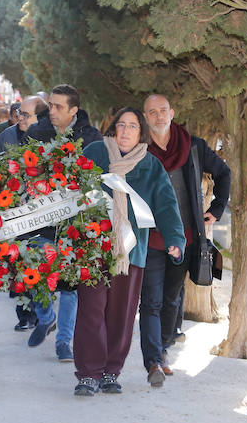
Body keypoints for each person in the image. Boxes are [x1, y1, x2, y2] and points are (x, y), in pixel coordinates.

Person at [74, 108, 184, 395]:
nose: (125, 131)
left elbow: (166, 203)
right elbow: (71, 191)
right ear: (113, 129)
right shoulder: (95, 153)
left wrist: (175, 237)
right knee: (91, 310)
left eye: (132, 126)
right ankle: (88, 373)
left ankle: (111, 371)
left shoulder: (150, 165)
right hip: (94, 249)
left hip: (131, 252)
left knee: (121, 314)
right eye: (121, 125)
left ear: (141, 133)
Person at [139, 94, 231, 386]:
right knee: (151, 301)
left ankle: (162, 349)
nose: (158, 116)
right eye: (152, 112)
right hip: (150, 238)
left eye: (162, 110)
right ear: (145, 117)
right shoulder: (139, 150)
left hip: (186, 238)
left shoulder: (193, 146)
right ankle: (154, 360)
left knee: (169, 298)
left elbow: (224, 173)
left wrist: (215, 210)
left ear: (172, 112)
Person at [24, 84, 103, 362]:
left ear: (74, 110)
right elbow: (24, 171)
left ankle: (63, 342)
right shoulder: (36, 133)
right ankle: (46, 317)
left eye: (59, 107)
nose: (52, 111)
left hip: (76, 221)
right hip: (40, 219)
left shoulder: (92, 138)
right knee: (36, 271)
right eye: (51, 105)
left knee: (70, 286)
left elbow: (98, 178)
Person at [0, 95, 48, 331]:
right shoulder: (6, 137)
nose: (20, 118)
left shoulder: (50, 138)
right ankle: (24, 315)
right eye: (19, 112)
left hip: (42, 214)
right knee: (16, 263)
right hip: (12, 212)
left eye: (26, 114)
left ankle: (41, 313)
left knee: (37, 265)